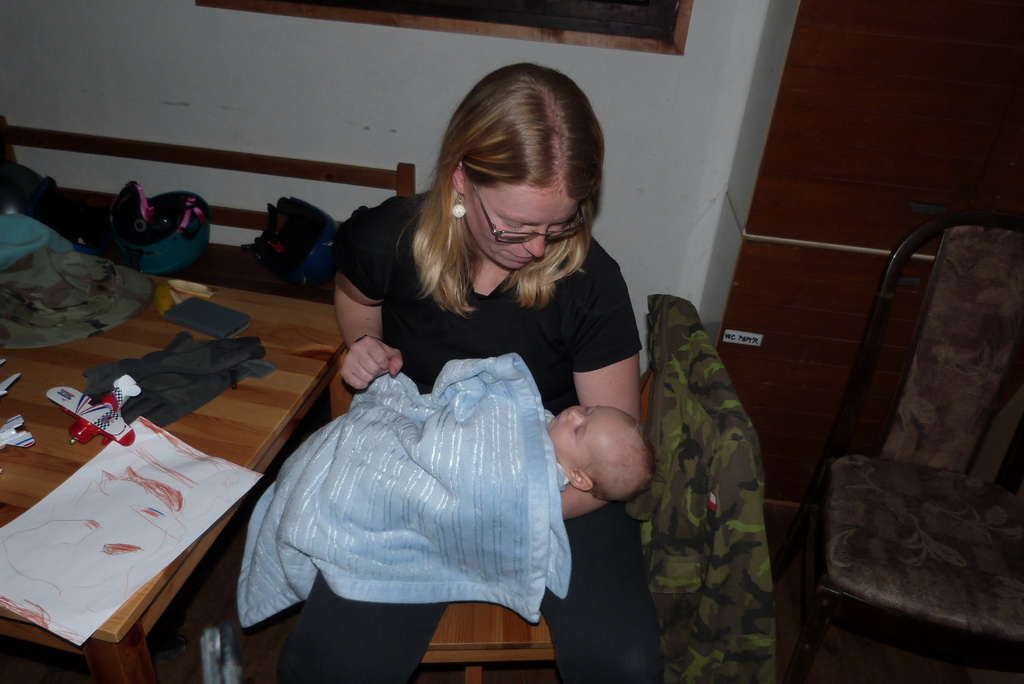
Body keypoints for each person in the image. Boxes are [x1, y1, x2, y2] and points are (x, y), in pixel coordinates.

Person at [278, 62, 663, 683]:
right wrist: (364, 345)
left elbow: (608, 469)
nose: (537, 248)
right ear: (461, 179)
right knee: (330, 666)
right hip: (417, 466)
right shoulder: (387, 238)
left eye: (559, 224)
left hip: (556, 485)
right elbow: (355, 297)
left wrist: (491, 511)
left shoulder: (591, 282)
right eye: (516, 226)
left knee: (624, 663)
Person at [549, 404, 653, 504]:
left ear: (578, 477)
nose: (573, 413)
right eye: (588, 410)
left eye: (577, 431)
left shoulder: (545, 477)